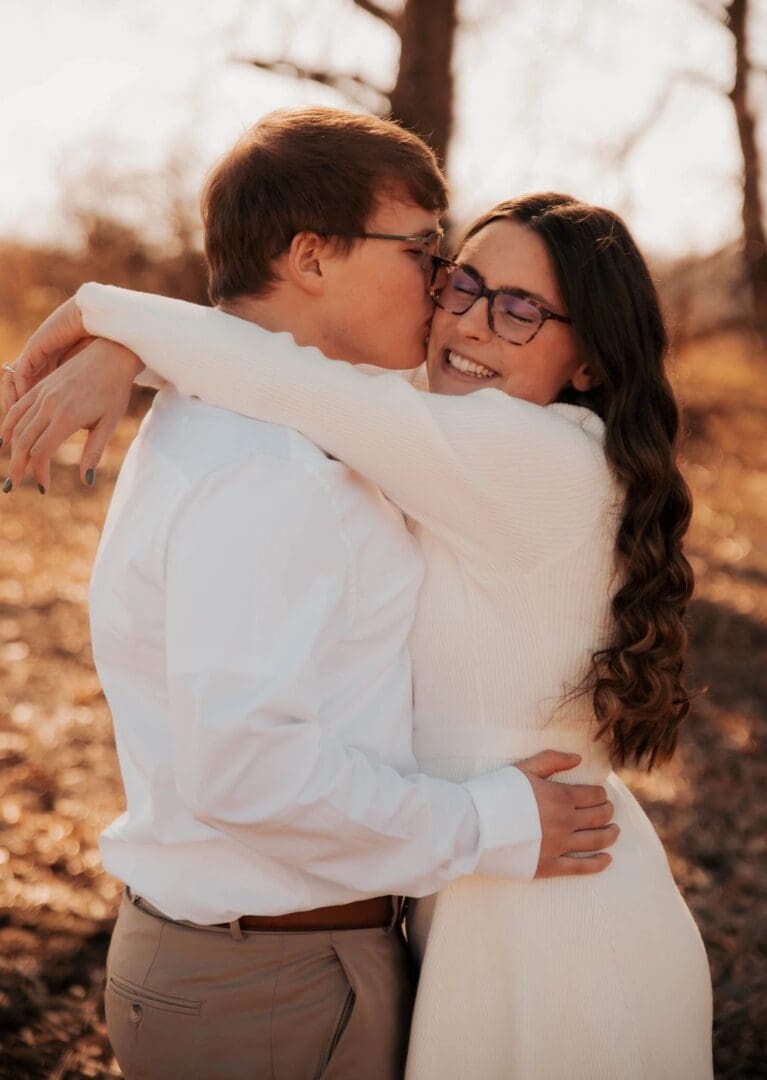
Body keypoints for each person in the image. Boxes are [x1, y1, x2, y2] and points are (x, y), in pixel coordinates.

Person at [1, 111, 623, 1080]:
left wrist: (119, 335)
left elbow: (272, 372)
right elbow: (249, 769)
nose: (441, 295)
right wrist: (490, 823)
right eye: (426, 254)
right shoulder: (275, 472)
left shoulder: (239, 423)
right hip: (277, 986)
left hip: (257, 966)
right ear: (311, 258)